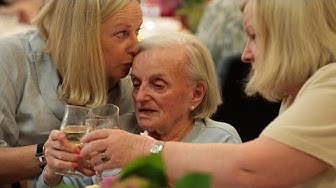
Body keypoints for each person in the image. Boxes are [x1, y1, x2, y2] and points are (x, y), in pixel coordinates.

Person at [81, 0, 336, 187]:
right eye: (136, 84)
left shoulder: (331, 88)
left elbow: (248, 170)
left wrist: (144, 150)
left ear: (290, 39)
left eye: (254, 36)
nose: (246, 54)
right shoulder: (298, 94)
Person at [39, 32, 242, 187]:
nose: (140, 96)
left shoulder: (220, 142)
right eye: (136, 83)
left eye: (158, 85)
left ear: (196, 94)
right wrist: (52, 172)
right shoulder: (117, 132)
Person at [0, 0, 142, 187]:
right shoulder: (11, 58)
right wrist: (46, 154)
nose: (136, 46)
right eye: (122, 34)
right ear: (82, 35)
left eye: (137, 31)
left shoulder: (135, 77)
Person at [195, 0, 246, 67]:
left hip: (222, 67)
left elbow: (204, 45)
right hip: (243, 64)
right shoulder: (248, 3)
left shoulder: (218, 5)